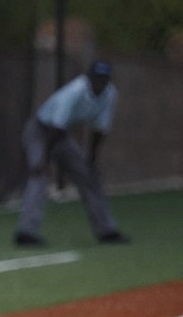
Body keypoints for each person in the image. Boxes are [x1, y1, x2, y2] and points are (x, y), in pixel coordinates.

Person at [13, 59, 130, 246]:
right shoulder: (75, 91)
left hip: (61, 136)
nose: (99, 84)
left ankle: (107, 230)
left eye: (104, 80)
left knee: (90, 176)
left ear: (108, 80)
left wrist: (91, 161)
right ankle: (26, 232)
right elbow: (56, 127)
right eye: (96, 79)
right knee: (39, 175)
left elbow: (99, 130)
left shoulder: (110, 94)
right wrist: (44, 159)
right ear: (89, 78)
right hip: (41, 131)